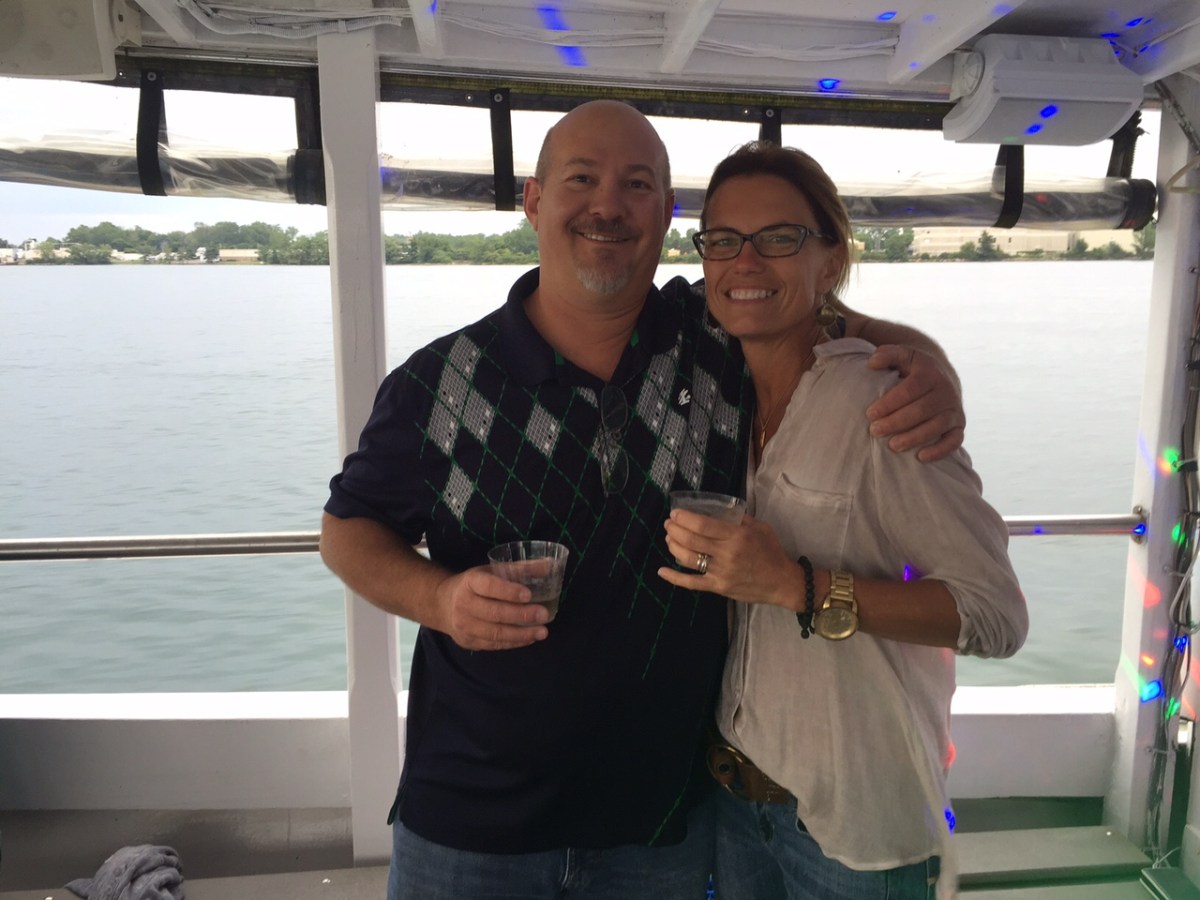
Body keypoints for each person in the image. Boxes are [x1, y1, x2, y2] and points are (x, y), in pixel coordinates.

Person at [320, 101, 965, 899]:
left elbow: (810, 308)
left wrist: (930, 366)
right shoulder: (438, 381)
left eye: (637, 185)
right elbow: (348, 529)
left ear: (666, 212)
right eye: (581, 179)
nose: (607, 205)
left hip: (662, 823)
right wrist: (439, 598)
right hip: (470, 824)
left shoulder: (716, 337)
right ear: (534, 200)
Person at [659, 141, 1028, 900]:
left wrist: (800, 586)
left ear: (831, 262)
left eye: (781, 238)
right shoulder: (719, 390)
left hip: (858, 835)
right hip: (734, 799)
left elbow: (996, 617)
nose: (746, 262)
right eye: (724, 240)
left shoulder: (881, 401)